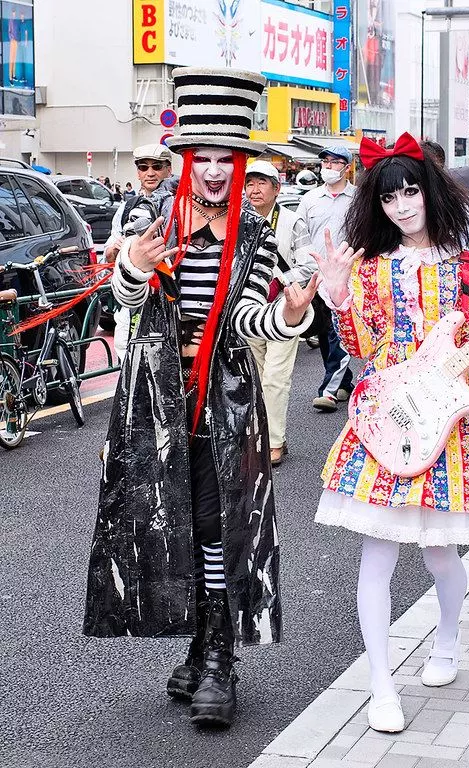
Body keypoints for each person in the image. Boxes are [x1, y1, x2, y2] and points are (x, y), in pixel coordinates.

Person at [83, 67, 318, 728]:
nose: (214, 172)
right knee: (166, 520)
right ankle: (196, 643)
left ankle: (219, 659)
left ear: (241, 165)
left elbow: (247, 320)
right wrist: (132, 266)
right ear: (186, 160)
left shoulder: (257, 237)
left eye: (227, 160)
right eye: (202, 159)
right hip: (154, 402)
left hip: (225, 402)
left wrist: (291, 315)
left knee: (217, 524)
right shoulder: (152, 220)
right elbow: (125, 302)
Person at [314, 133, 469, 734]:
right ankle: (381, 684)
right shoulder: (369, 267)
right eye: (388, 198)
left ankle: (448, 640)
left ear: (430, 191)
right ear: (374, 206)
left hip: (445, 419)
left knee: (441, 552)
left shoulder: (468, 264)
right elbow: (357, 350)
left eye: (411, 192)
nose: (403, 206)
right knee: (376, 553)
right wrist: (336, 297)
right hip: (386, 415)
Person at [244, 160, 317, 465]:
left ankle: (275, 441)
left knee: (275, 377)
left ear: (276, 188)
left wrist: (280, 280)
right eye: (250, 183)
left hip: (285, 306)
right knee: (257, 376)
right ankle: (258, 435)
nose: (255, 189)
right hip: (248, 310)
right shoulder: (238, 221)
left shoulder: (291, 221)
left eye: (262, 183)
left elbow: (309, 264)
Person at [296, 144, 358, 412]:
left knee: (337, 332)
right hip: (315, 276)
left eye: (335, 162)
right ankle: (344, 382)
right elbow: (300, 236)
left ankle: (329, 391)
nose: (329, 167)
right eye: (326, 162)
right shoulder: (310, 199)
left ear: (347, 167)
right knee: (324, 333)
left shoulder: (358, 198)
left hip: (346, 277)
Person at [102, 143, 175, 360]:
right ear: (138, 172)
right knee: (126, 354)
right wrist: (115, 250)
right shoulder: (127, 206)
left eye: (157, 167)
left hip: (169, 296)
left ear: (168, 169)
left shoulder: (180, 203)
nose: (150, 173)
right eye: (144, 167)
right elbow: (109, 250)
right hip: (132, 296)